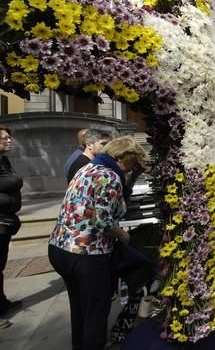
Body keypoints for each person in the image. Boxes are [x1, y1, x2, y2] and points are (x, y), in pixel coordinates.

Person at [48, 136, 148, 350]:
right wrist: (123, 235)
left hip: (60, 248)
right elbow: (103, 221)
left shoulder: (89, 168)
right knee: (96, 310)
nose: (132, 168)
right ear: (123, 158)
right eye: (133, 163)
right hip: (86, 253)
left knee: (79, 308)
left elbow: (113, 201)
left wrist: (130, 178)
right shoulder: (109, 175)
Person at [0, 126, 22, 329]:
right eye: (5, 138)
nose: (9, 140)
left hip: (5, 222)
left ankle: (2, 303)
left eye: (9, 137)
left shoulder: (4, 161)